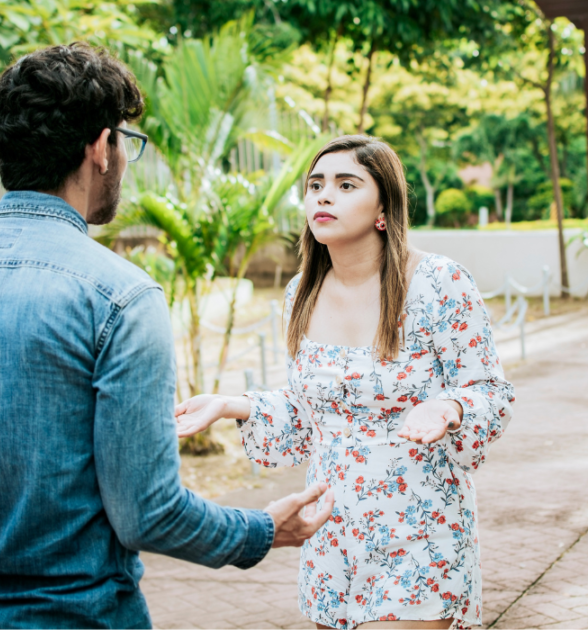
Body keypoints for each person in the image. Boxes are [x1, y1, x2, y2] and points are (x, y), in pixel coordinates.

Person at [0, 43, 333, 629]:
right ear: (100, 149)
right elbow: (148, 512)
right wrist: (262, 530)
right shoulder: (121, 296)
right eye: (125, 142)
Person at [175, 136, 515, 629]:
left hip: (420, 524)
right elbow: (308, 413)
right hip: (330, 528)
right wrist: (233, 405)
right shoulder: (302, 293)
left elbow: (489, 390)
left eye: (346, 184)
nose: (323, 196)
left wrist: (449, 409)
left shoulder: (439, 282)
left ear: (384, 208)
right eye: (315, 185)